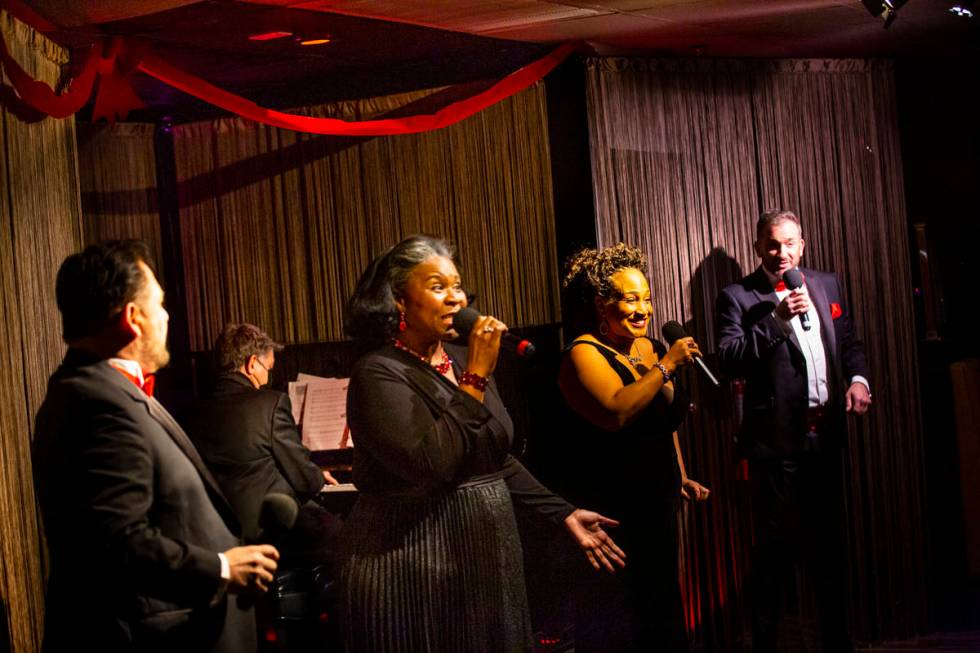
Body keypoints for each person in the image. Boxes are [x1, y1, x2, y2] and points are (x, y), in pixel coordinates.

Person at [339, 235, 625, 653]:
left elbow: (494, 456)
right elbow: (434, 461)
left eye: (457, 286)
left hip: (483, 555)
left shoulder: (459, 359)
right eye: (438, 286)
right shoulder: (379, 373)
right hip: (415, 563)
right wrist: (475, 376)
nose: (455, 298)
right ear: (399, 300)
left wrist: (562, 513)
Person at [32, 240, 279, 653]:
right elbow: (116, 543)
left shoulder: (90, 390)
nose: (167, 316)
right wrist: (222, 566)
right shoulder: (98, 403)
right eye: (160, 304)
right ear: (133, 318)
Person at [715, 209, 872, 653]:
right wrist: (777, 320)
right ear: (757, 246)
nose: (780, 253)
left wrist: (858, 379)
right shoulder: (737, 296)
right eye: (771, 244)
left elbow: (850, 342)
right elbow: (728, 360)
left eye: (789, 243)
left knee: (830, 555)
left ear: (801, 245)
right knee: (773, 561)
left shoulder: (827, 283)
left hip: (826, 441)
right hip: (776, 448)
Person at [557, 243, 710, 652]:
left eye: (647, 298)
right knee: (622, 617)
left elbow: (663, 425)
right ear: (602, 305)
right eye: (630, 299)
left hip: (656, 506)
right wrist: (666, 368)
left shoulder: (650, 348)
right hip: (615, 511)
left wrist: (679, 473)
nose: (643, 309)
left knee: (660, 609)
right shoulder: (583, 353)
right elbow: (617, 411)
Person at [184, 323, 341, 569]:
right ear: (252, 364)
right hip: (268, 531)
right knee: (342, 535)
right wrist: (318, 477)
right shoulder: (270, 404)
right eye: (268, 369)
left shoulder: (192, 413)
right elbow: (304, 479)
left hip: (214, 533)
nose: (268, 378)